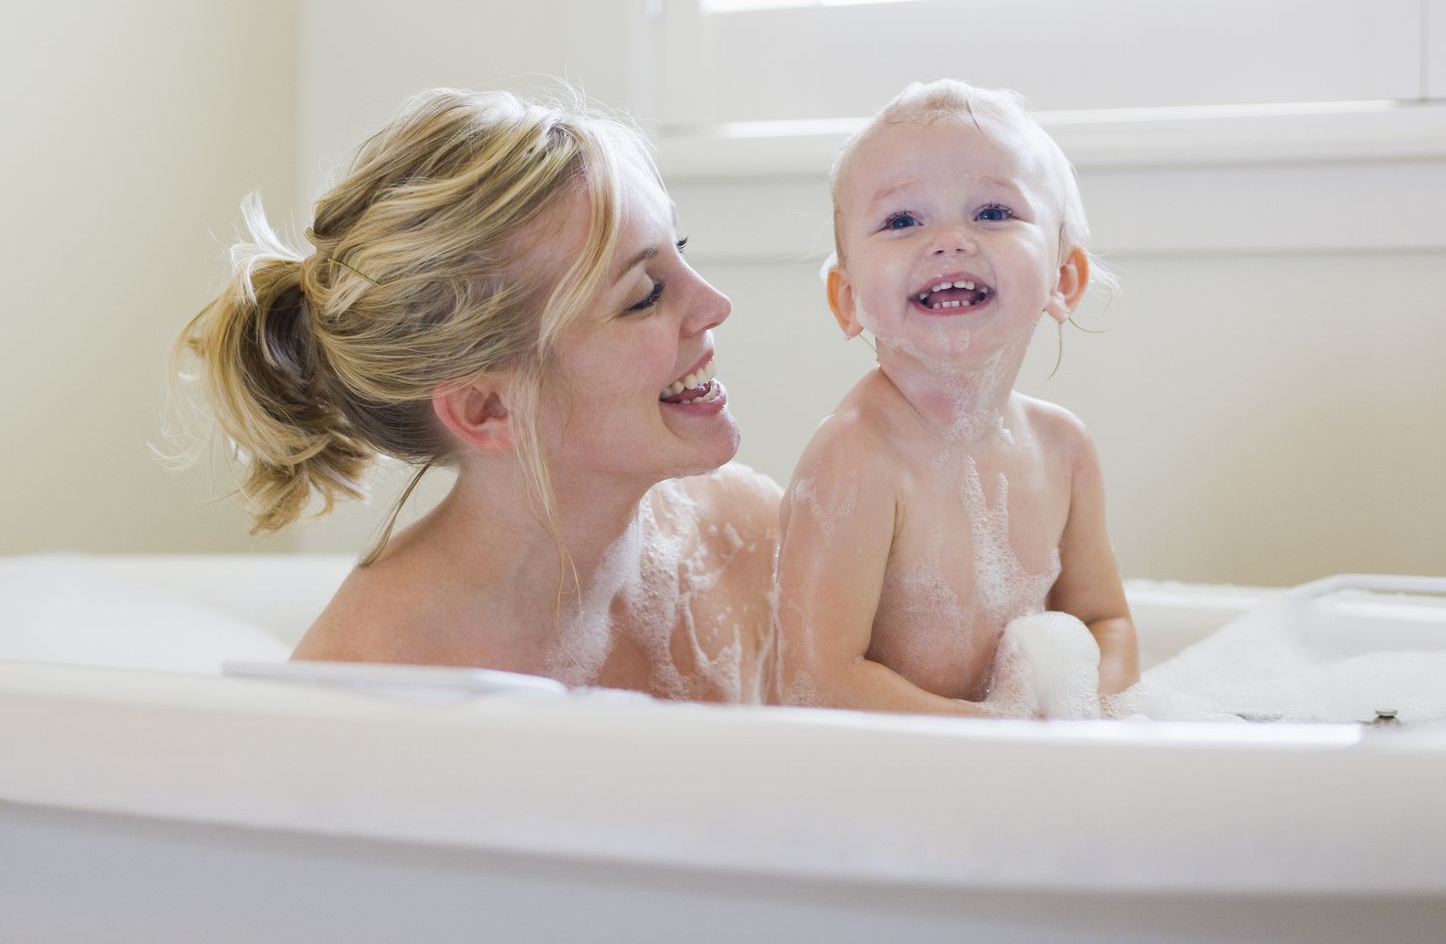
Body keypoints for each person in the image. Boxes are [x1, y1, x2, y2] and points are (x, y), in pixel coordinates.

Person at [173, 88, 780, 702]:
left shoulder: (746, 534)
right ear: (487, 409)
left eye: (680, 252)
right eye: (644, 295)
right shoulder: (375, 681)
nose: (715, 304)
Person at [771, 80, 1138, 718]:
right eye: (901, 220)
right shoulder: (857, 456)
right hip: (892, 779)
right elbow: (815, 682)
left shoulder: (1063, 449)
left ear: (1064, 278)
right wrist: (995, 733)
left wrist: (1083, 712)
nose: (949, 240)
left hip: (996, 777)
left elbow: (1108, 622)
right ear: (848, 299)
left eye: (993, 213)